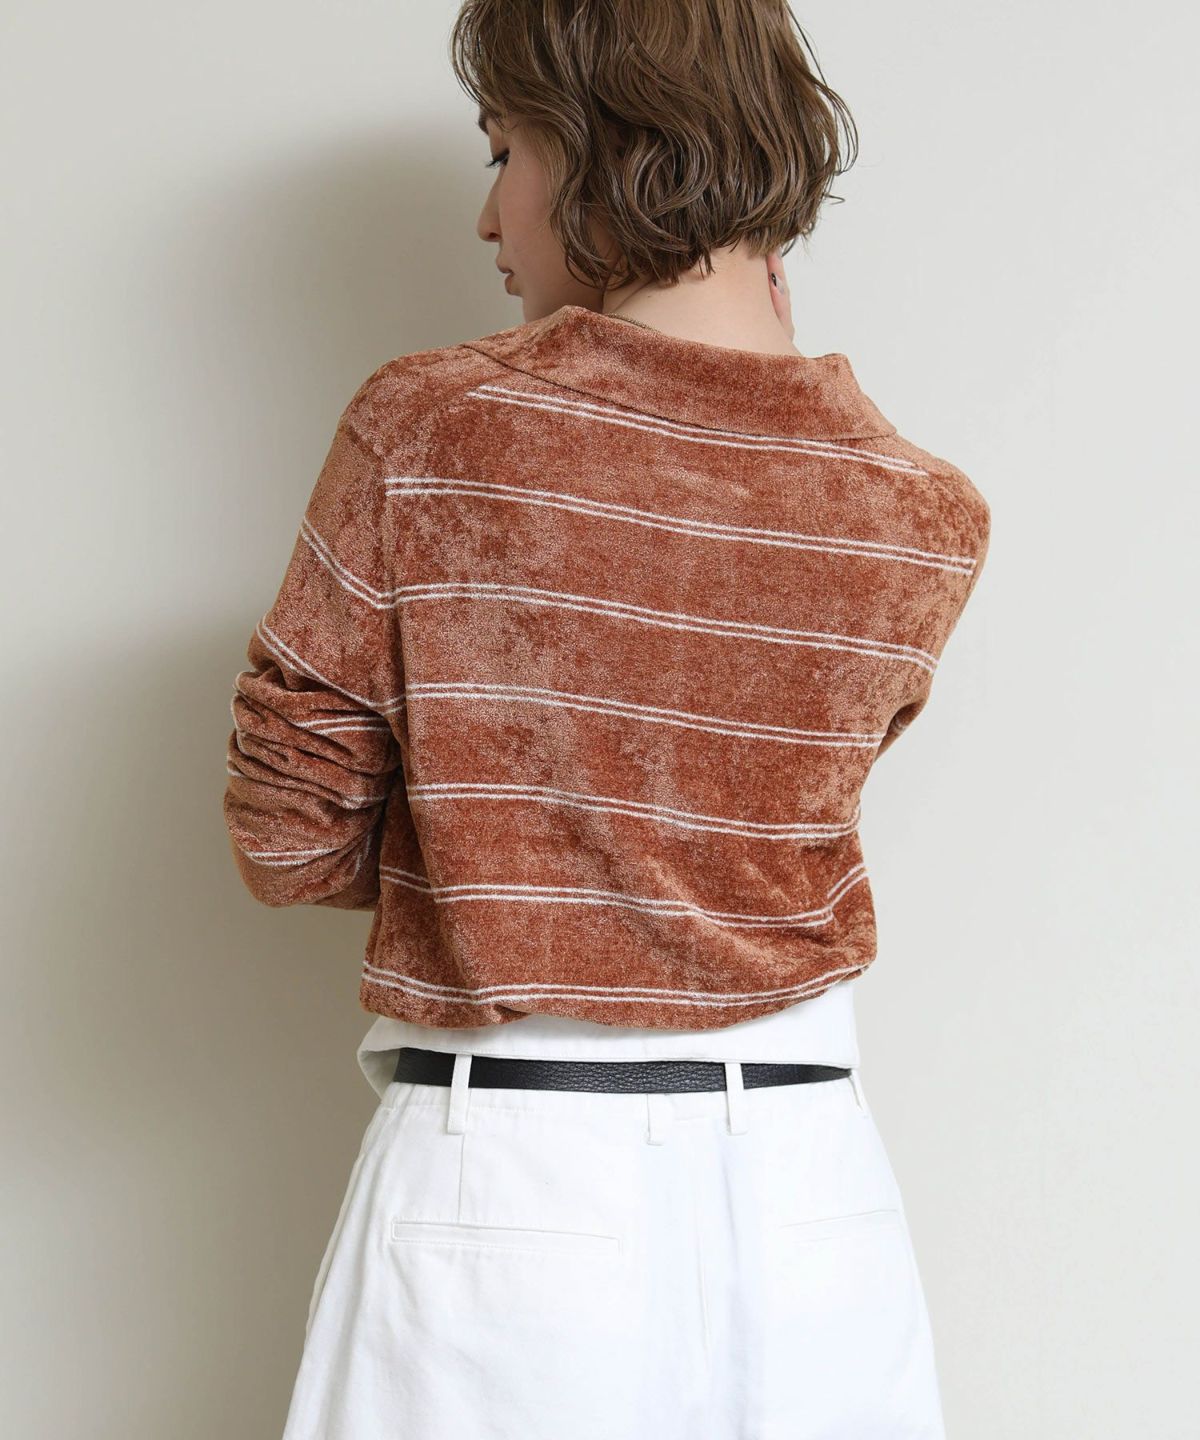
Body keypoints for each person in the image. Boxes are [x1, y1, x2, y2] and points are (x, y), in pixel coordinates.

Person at [222, 3, 990, 1436]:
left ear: (604, 149)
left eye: (503, 150)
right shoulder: (923, 513)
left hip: (507, 1188)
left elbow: (286, 845)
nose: (486, 215)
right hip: (814, 1204)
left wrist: (493, 835)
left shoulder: (432, 429)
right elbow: (742, 833)